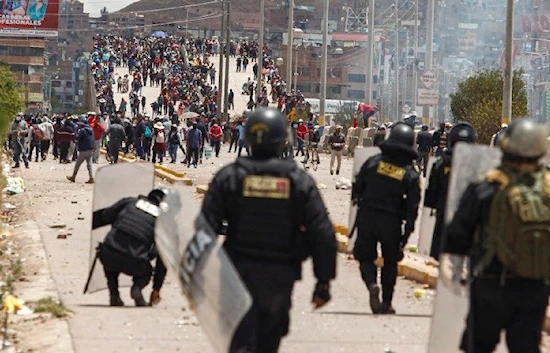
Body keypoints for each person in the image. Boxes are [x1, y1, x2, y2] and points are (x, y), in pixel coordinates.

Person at [200, 108, 337, 353]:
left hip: (235, 275)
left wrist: (199, 276)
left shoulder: (229, 178)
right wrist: (323, 282)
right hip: (280, 277)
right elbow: (323, 233)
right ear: (282, 139)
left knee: (239, 341)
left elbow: (204, 230)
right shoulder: (299, 182)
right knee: (268, 344)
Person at [444, 119, 550, 353]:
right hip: (535, 287)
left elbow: (456, 235)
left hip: (490, 284)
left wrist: (458, 274)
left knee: (478, 346)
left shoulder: (487, 187)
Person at [352, 123, 421, 314]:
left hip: (367, 216)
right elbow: (412, 208)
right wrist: (405, 236)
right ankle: (387, 302)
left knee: (365, 256)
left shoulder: (373, 162)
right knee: (390, 262)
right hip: (391, 221)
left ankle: (372, 284)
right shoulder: (410, 174)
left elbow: (357, 188)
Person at [92, 189, 168, 307]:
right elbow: (162, 259)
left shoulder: (129, 203)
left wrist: (89, 225)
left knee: (109, 251)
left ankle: (114, 295)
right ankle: (137, 288)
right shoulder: (162, 221)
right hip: (135, 263)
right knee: (147, 271)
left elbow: (104, 216)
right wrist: (156, 288)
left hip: (109, 257)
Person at [424, 122, 477, 260]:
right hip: (468, 220)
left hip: (444, 217)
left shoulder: (440, 164)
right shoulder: (476, 167)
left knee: (438, 258)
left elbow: (430, 197)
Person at [67, 119, 95, 184]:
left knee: (77, 164)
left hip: (84, 150)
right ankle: (91, 177)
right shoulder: (91, 130)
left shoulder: (82, 130)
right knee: (89, 164)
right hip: (90, 149)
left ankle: (73, 177)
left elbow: (77, 137)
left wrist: (76, 132)